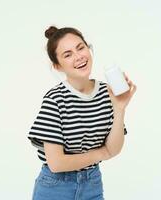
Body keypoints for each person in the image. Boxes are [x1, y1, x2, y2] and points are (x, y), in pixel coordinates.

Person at [27, 26, 136, 200]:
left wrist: (120, 108)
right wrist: (101, 153)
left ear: (88, 48)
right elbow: (56, 164)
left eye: (80, 47)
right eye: (67, 54)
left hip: (92, 184)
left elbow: (114, 149)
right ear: (58, 66)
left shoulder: (106, 93)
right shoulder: (54, 99)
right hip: (55, 187)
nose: (78, 57)